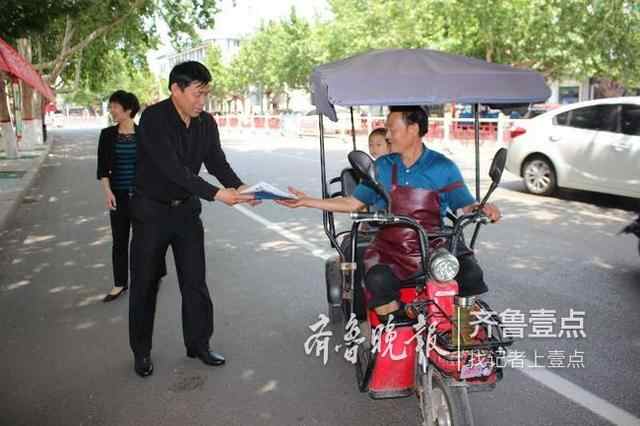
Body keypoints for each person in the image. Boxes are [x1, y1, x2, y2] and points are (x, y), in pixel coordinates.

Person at [277, 105, 500, 322]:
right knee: (377, 280)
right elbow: (353, 203)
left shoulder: (443, 167)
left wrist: (483, 209)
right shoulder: (382, 166)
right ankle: (400, 321)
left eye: (392, 130)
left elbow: (465, 205)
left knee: (470, 273)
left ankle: (463, 332)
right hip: (391, 250)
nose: (388, 136)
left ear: (413, 129)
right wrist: (308, 201)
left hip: (434, 245)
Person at [129, 61, 257, 378]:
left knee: (195, 282)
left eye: (205, 94)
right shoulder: (154, 119)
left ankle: (199, 344)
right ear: (176, 89)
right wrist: (216, 194)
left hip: (186, 213)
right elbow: (172, 169)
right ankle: (141, 352)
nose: (202, 101)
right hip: (151, 213)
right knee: (145, 283)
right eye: (197, 94)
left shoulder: (206, 123)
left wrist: (241, 187)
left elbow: (216, 162)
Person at [96, 90, 166, 303]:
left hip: (143, 196)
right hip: (118, 196)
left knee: (147, 240)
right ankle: (120, 283)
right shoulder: (107, 135)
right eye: (111, 106)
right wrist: (107, 192)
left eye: (115, 107)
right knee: (120, 241)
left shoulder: (144, 134)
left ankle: (153, 274)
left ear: (128, 110)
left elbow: (156, 166)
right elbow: (102, 168)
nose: (112, 110)